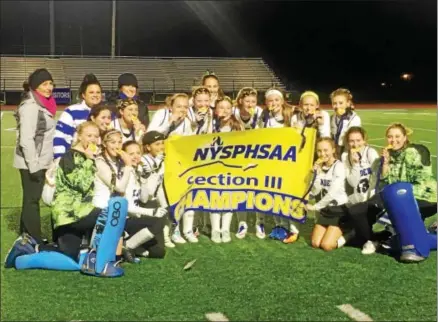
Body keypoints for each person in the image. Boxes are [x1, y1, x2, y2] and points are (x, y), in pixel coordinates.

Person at [5, 122, 125, 277]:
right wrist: (90, 160)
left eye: (96, 136)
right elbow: (81, 184)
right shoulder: (71, 157)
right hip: (70, 213)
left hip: (77, 212)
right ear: (79, 136)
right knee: (109, 215)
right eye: (89, 135)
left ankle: (28, 249)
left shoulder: (88, 156)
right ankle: (99, 260)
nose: (93, 139)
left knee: (68, 256)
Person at [347, 123, 437, 256]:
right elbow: (385, 182)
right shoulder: (387, 157)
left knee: (409, 238)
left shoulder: (414, 152)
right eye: (390, 137)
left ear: (405, 137)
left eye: (397, 136)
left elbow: (423, 181)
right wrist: (385, 164)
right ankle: (374, 238)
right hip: (396, 196)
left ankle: (391, 236)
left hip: (425, 197)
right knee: (358, 210)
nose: (393, 140)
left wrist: (396, 199)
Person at [13, 68, 56, 244]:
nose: (49, 87)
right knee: (32, 200)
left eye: (51, 83)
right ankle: (35, 238)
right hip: (32, 162)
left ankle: (26, 235)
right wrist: (34, 166)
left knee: (30, 199)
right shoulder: (30, 107)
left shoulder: (43, 104)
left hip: (41, 160)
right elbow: (26, 140)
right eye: (44, 84)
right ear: (35, 86)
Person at [262, 88, 300, 243]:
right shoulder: (264, 117)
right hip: (272, 162)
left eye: (277, 100)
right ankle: (280, 225)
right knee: (274, 195)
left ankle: (293, 228)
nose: (274, 103)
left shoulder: (292, 116)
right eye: (270, 101)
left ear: (282, 101)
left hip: (289, 161)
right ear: (266, 103)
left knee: (289, 196)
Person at [121, 140, 166, 260]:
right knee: (159, 219)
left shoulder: (136, 171)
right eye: (131, 154)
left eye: (138, 153)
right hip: (124, 220)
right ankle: (128, 246)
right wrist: (151, 213)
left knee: (158, 252)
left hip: (135, 217)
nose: (136, 156)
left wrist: (144, 179)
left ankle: (129, 246)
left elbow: (144, 199)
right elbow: (127, 206)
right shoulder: (125, 173)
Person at [209, 96, 244, 243]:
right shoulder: (211, 124)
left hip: (232, 167)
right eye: (221, 108)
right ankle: (215, 229)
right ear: (216, 111)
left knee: (229, 198)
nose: (225, 111)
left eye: (228, 108)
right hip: (213, 167)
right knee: (215, 197)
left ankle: (225, 228)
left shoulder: (237, 126)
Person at [306, 138, 349, 251]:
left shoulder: (338, 166)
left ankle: (350, 234)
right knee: (315, 243)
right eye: (319, 151)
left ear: (333, 150)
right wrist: (317, 174)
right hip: (325, 210)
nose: (322, 154)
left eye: (326, 150)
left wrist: (315, 207)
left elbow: (332, 193)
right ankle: (332, 229)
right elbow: (316, 191)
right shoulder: (321, 167)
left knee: (327, 245)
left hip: (338, 209)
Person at [140, 131, 177, 248]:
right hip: (143, 198)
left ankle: (166, 238)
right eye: (157, 144)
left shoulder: (162, 158)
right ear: (147, 147)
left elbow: (159, 181)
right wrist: (158, 160)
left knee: (165, 212)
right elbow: (149, 175)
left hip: (156, 193)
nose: (161, 147)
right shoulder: (143, 160)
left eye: (162, 143)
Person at [53, 74, 102, 159]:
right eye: (91, 92)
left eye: (98, 92)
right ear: (83, 95)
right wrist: (60, 159)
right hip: (76, 159)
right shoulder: (72, 111)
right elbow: (60, 137)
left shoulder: (106, 113)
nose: (95, 95)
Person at [329, 88, 361, 155]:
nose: (337, 106)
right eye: (334, 103)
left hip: (348, 153)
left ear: (348, 103)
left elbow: (351, 141)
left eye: (341, 103)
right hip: (333, 153)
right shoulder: (331, 118)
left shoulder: (354, 119)